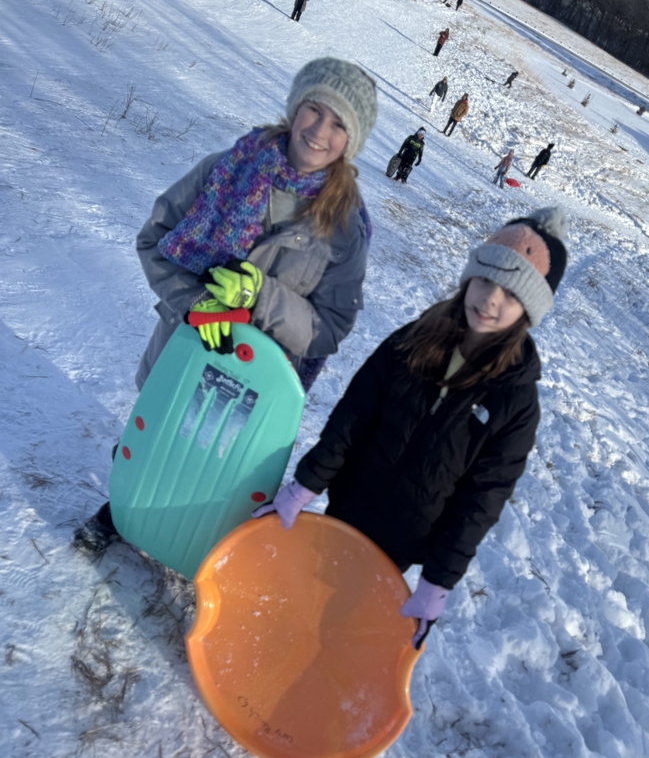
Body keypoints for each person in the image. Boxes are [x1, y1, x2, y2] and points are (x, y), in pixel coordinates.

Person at [72, 58, 378, 556]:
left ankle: (195, 548)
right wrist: (198, 306)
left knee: (213, 465)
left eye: (339, 123)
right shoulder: (226, 168)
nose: (320, 131)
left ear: (352, 140)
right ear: (295, 107)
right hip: (184, 349)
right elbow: (154, 241)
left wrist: (261, 295)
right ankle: (120, 511)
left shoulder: (345, 229)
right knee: (157, 439)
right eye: (314, 109)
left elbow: (329, 329)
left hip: (253, 381)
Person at [255, 207, 569, 648]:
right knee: (310, 588)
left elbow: (482, 499)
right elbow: (353, 417)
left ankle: (321, 653)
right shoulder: (417, 337)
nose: (490, 300)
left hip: (407, 537)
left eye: (510, 294)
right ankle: (283, 637)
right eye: (485, 280)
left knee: (344, 616)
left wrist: (438, 581)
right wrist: (306, 485)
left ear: (529, 310)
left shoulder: (514, 402)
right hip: (348, 504)